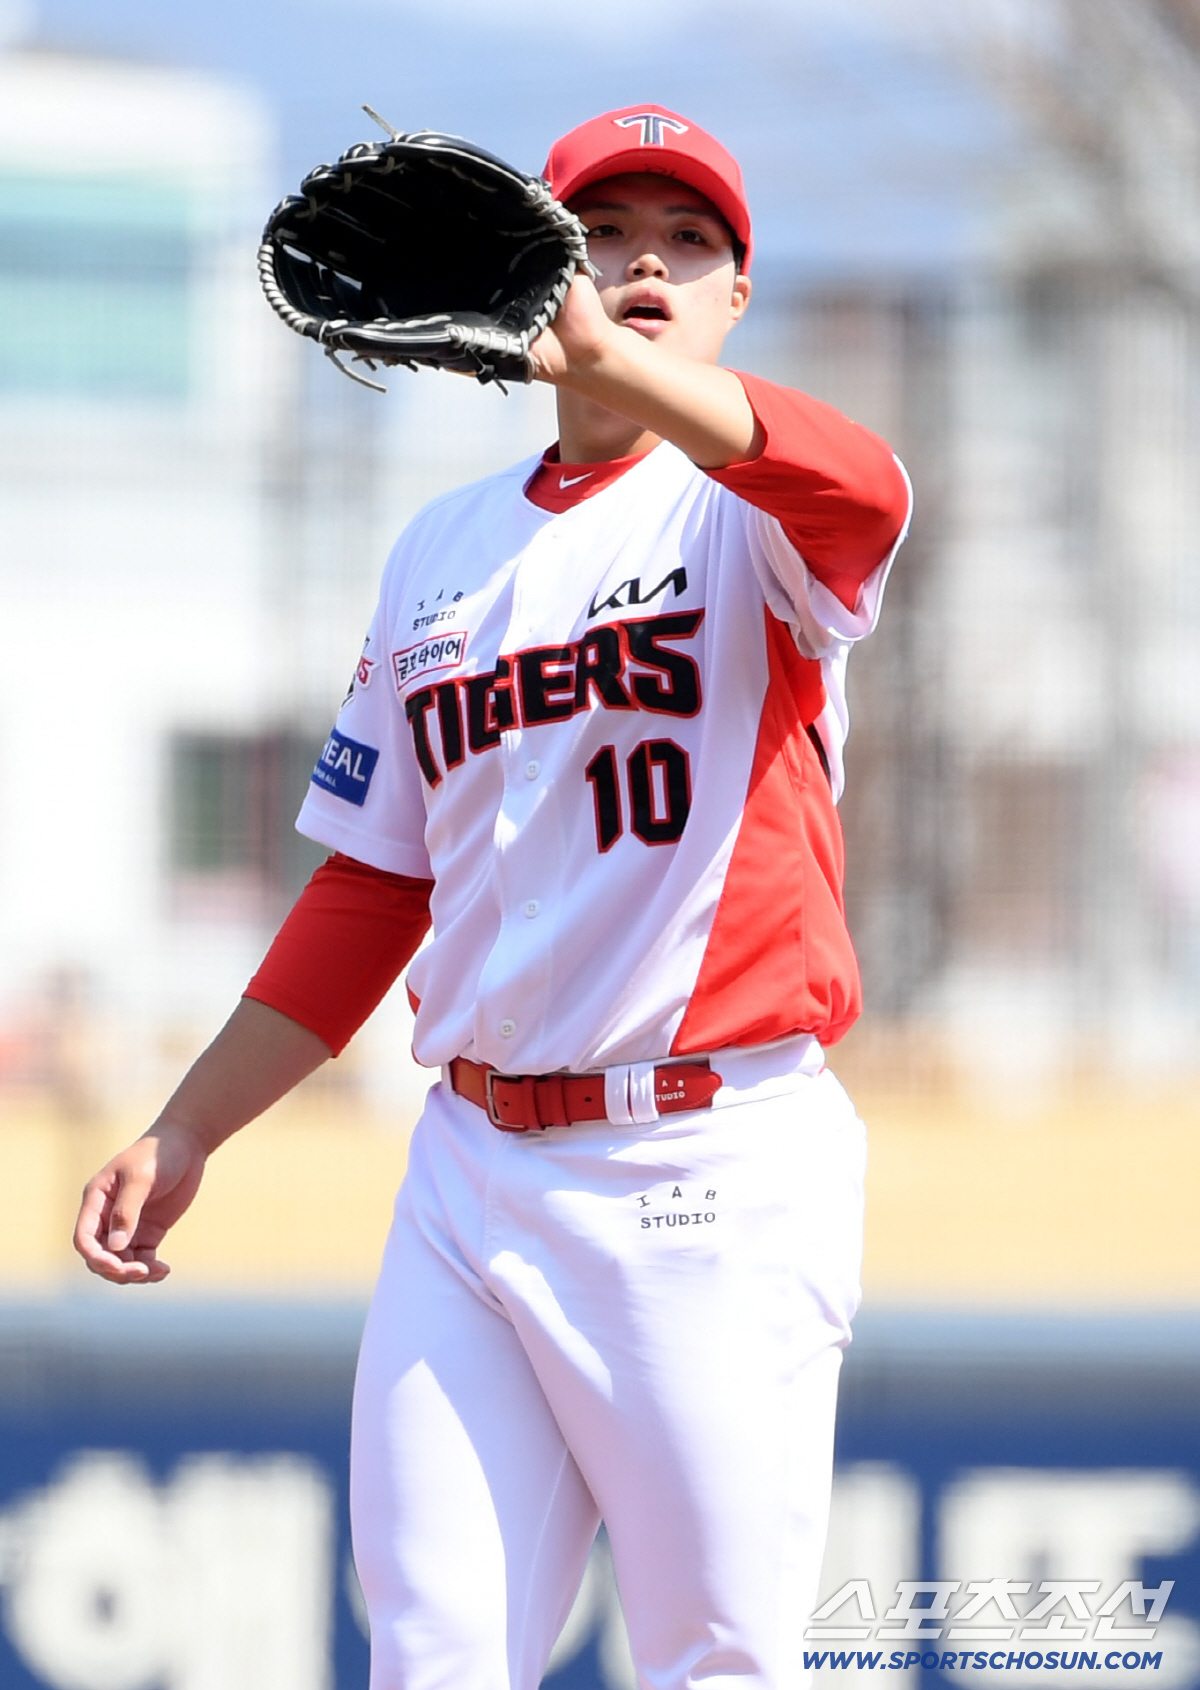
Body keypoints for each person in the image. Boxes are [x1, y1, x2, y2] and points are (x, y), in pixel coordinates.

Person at [75, 104, 911, 1690]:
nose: (645, 260)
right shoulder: (437, 555)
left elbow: (866, 490)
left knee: (715, 1659)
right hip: (470, 1171)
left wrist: (621, 366)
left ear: (736, 297)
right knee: (435, 1650)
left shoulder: (747, 519)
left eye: (690, 241)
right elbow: (375, 885)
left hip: (703, 1166)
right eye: (604, 232)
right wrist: (187, 1125)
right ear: (530, 272)